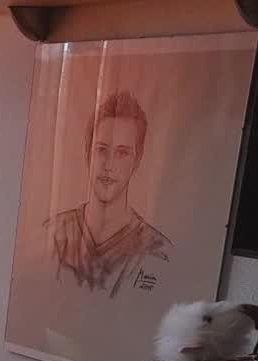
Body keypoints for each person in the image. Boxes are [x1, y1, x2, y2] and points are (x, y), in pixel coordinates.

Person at [45, 90, 173, 299]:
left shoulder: (158, 252)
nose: (109, 165)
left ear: (137, 160)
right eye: (102, 150)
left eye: (122, 153)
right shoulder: (53, 235)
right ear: (88, 153)